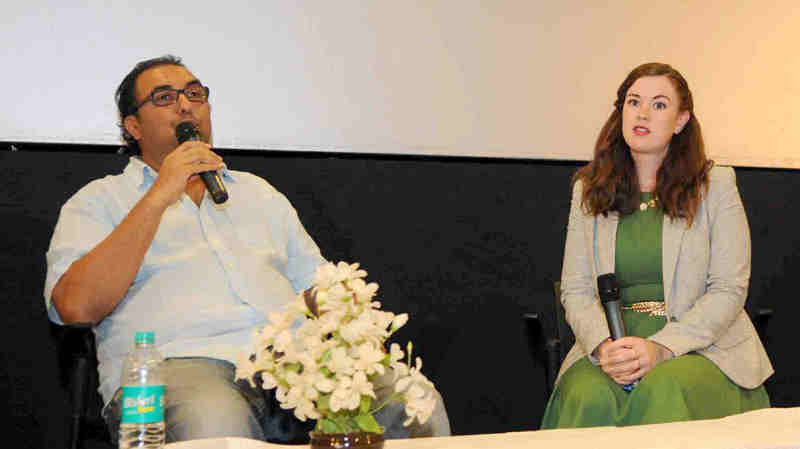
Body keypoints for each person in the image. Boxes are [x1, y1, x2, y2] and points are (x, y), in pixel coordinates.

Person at [44, 55, 449, 443]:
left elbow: (317, 284)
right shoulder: (100, 200)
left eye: (195, 94)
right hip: (179, 369)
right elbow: (75, 307)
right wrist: (159, 195)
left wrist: (352, 327)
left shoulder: (259, 194)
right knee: (215, 418)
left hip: (293, 369)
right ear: (132, 126)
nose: (186, 106)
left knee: (411, 399)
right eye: (165, 98)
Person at [540, 62, 773, 428]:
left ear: (681, 121)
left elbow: (729, 289)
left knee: (661, 388)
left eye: (659, 105)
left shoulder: (717, 186)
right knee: (586, 394)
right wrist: (604, 347)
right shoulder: (588, 189)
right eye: (634, 102)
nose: (643, 112)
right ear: (621, 114)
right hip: (613, 347)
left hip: (701, 346)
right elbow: (576, 288)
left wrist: (662, 347)